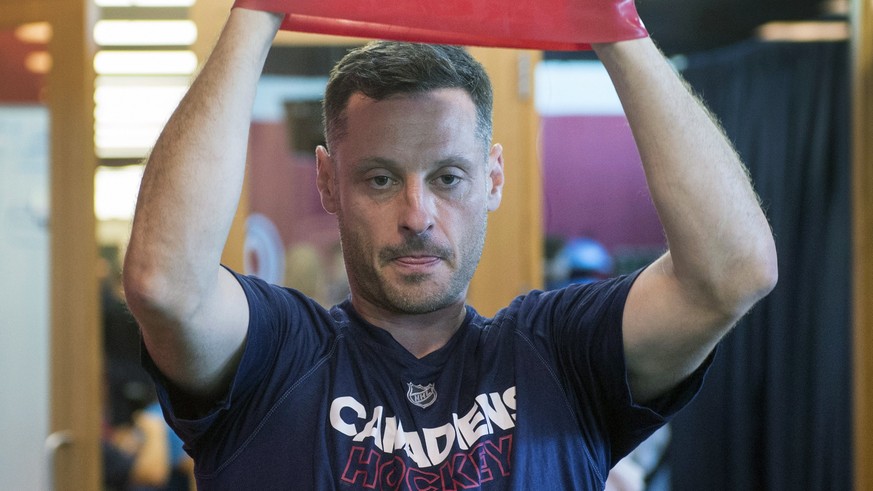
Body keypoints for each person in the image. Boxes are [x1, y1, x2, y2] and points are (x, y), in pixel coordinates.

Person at [122, 5, 778, 489]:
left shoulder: (558, 354)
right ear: (328, 181)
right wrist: (255, 15)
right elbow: (165, 284)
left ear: (492, 179)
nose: (416, 215)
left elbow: (731, 273)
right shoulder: (275, 356)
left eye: (447, 177)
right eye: (380, 179)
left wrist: (616, 29)